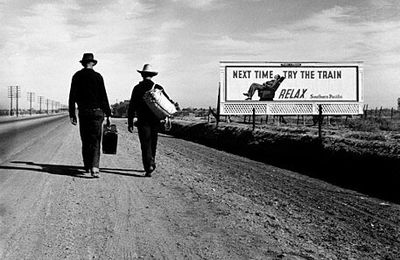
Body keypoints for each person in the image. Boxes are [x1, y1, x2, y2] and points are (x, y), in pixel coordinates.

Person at [69, 53, 111, 178]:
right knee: (96, 139)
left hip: (84, 112)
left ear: (83, 63)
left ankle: (87, 165)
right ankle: (95, 167)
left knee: (85, 139)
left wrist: (72, 114)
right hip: (97, 112)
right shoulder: (98, 77)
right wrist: (108, 113)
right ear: (93, 63)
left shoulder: (77, 76)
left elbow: (72, 97)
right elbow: (104, 96)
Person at [127, 64, 174, 177]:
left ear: (142, 75)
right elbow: (167, 102)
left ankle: (148, 166)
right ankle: (151, 160)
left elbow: (132, 106)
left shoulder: (137, 88)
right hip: (155, 121)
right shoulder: (158, 87)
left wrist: (130, 122)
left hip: (143, 121)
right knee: (153, 142)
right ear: (152, 75)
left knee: (145, 144)